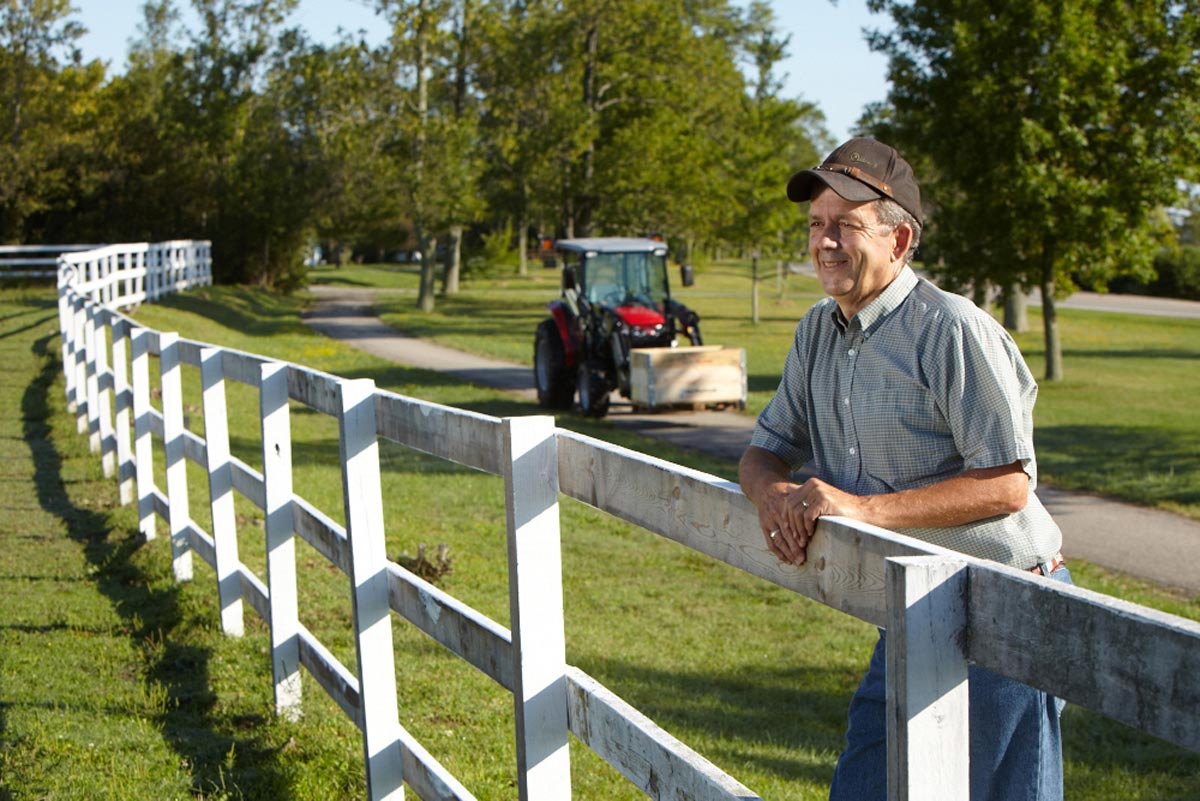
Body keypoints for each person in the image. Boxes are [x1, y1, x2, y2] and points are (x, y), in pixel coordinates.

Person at [737, 137, 1071, 801]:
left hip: (1009, 603)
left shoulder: (950, 328)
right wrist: (773, 494)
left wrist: (857, 509)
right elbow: (763, 449)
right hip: (916, 605)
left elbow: (1009, 483)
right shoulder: (816, 332)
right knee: (864, 784)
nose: (825, 242)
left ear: (900, 240)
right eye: (815, 224)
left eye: (847, 225)